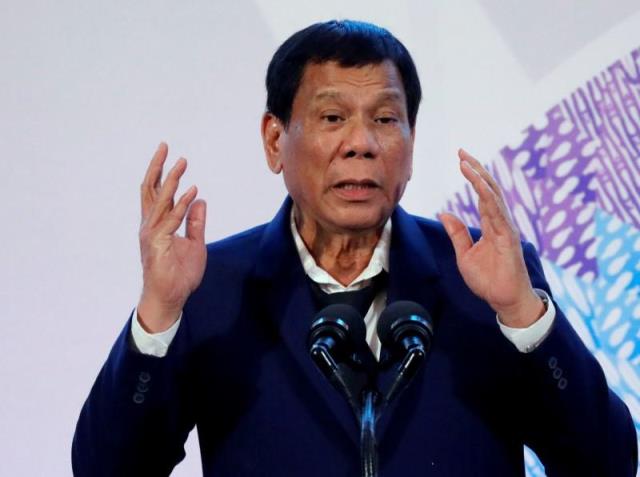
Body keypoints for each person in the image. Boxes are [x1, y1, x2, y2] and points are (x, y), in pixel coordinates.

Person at [72, 20, 637, 476]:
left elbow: (607, 464)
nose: (361, 145)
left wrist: (524, 317)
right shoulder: (212, 288)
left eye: (386, 119)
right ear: (275, 139)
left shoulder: (484, 277)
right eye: (333, 117)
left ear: (412, 144)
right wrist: (157, 318)